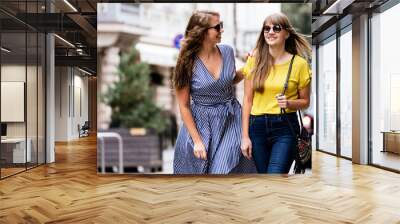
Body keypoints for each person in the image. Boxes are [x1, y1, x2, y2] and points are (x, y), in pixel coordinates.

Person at [172, 10, 256, 174]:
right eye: (217, 27)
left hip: (230, 118)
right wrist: (197, 141)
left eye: (222, 25)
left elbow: (229, 80)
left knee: (221, 170)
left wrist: (249, 65)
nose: (221, 30)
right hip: (201, 123)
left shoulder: (228, 52)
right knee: (199, 174)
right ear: (202, 32)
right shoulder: (186, 61)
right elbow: (184, 105)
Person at [239, 12, 312, 174]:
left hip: (285, 128)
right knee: (264, 178)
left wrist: (289, 103)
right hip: (256, 127)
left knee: (275, 175)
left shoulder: (299, 64)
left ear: (286, 33)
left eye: (276, 28)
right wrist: (244, 136)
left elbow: (305, 101)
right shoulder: (254, 61)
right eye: (267, 28)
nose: (270, 32)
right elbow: (247, 100)